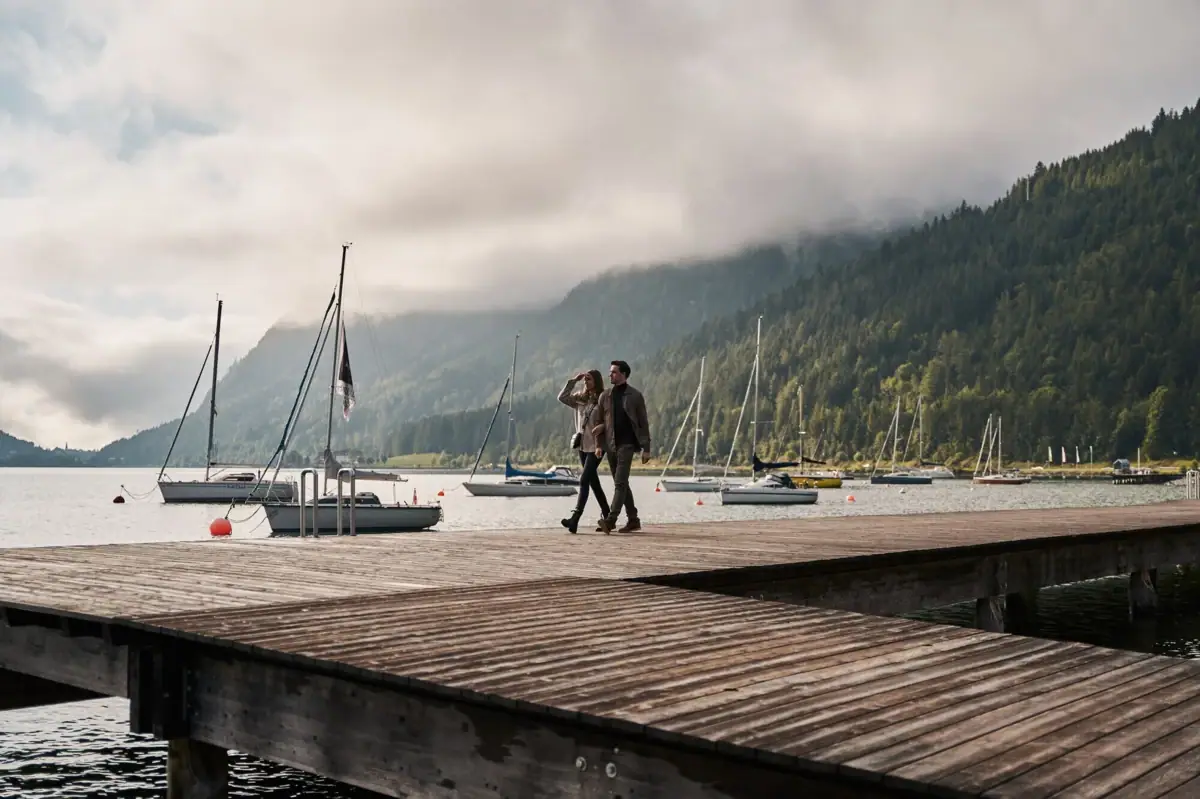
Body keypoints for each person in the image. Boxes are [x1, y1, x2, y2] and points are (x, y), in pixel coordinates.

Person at [592, 359, 651, 533]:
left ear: (623, 375)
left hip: (627, 444)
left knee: (619, 483)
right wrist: (598, 445)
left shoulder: (635, 396)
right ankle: (633, 519)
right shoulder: (605, 396)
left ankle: (610, 520)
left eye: (614, 372)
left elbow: (643, 423)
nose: (610, 374)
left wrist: (646, 448)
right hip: (610, 445)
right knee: (622, 483)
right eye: (610, 372)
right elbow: (599, 422)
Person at [556, 369, 610, 533]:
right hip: (582, 446)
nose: (586, 382)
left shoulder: (603, 399)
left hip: (597, 446)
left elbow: (610, 421)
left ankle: (575, 518)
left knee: (584, 480)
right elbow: (562, 397)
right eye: (585, 380)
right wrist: (573, 380)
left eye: (589, 379)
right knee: (593, 483)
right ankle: (608, 515)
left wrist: (602, 430)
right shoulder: (580, 398)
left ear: (597, 381)